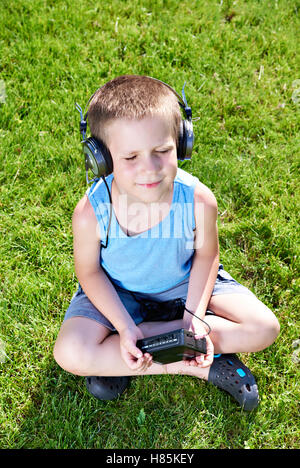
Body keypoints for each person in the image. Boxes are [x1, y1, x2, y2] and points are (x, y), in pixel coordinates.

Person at [53, 75, 280, 411]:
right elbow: (89, 273)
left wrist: (195, 318)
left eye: (162, 150)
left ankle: (124, 355)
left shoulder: (198, 200)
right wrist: (124, 326)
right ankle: (196, 363)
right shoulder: (91, 212)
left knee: (264, 328)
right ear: (100, 158)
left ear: (181, 142)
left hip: (185, 285)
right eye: (130, 158)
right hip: (119, 294)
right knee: (68, 352)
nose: (150, 169)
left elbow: (207, 256)